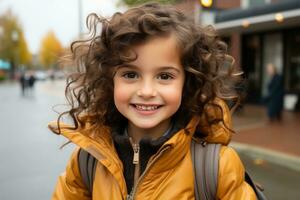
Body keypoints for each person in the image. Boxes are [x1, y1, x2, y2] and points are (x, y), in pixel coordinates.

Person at [49, 3, 256, 199]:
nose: (146, 91)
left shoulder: (218, 168)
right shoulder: (86, 162)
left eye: (164, 76)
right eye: (130, 75)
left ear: (188, 83)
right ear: (110, 81)